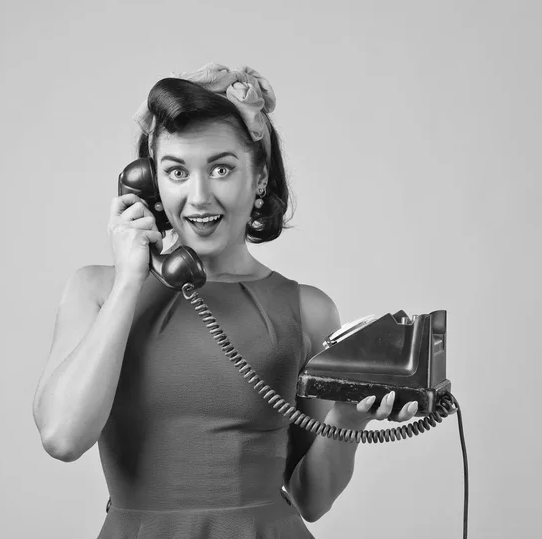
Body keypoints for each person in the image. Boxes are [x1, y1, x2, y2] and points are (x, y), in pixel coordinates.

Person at [32, 63, 418, 539]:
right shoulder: (95, 291)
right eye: (175, 171)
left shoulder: (308, 310)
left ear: (258, 179)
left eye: (221, 169)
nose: (198, 197)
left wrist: (346, 418)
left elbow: (312, 500)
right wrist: (130, 279)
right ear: (149, 184)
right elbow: (63, 438)